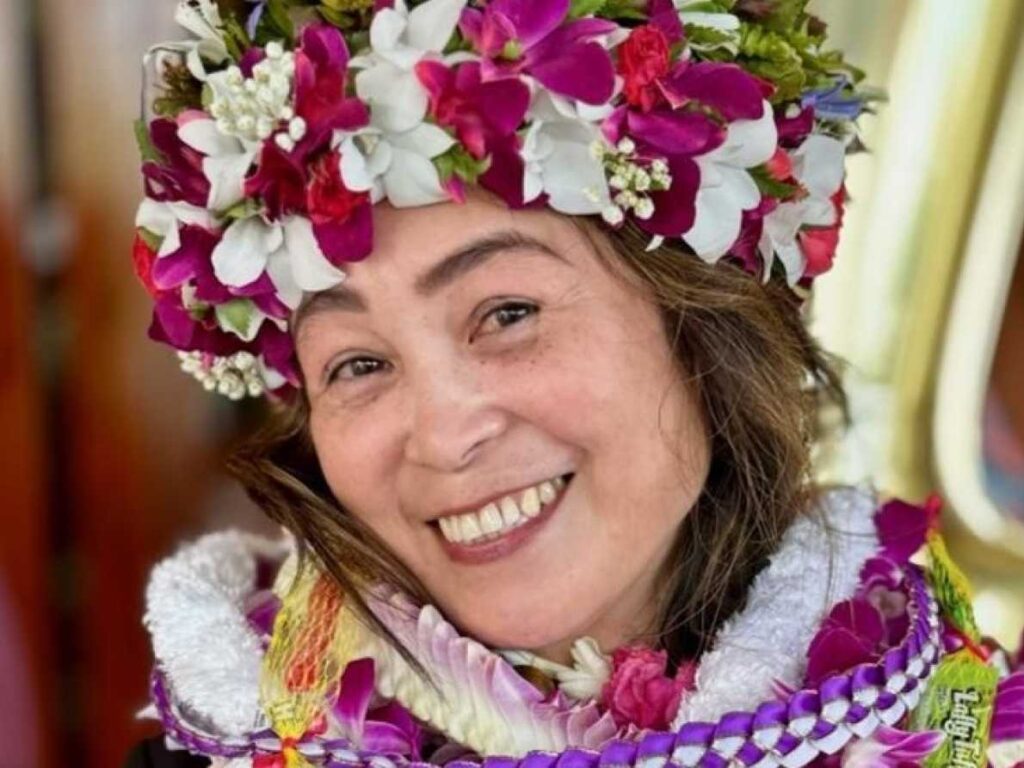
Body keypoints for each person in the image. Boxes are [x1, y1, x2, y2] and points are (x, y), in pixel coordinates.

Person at [127, 1, 1024, 767]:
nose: (443, 435)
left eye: (507, 314)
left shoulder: (959, 725)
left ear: (701, 318)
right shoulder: (214, 738)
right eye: (358, 364)